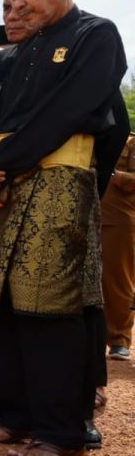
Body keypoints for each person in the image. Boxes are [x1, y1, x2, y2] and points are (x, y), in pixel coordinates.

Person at [0, 0, 127, 456]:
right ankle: (15, 415)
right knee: (5, 302)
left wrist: (1, 163)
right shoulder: (24, 49)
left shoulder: (95, 35)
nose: (18, 4)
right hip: (7, 185)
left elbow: (68, 113)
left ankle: (61, 431)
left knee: (49, 305)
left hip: (59, 185)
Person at [102, 132, 135, 361]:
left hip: (120, 221)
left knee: (118, 282)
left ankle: (119, 339)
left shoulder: (132, 142)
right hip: (83, 218)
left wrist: (117, 176)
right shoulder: (90, 139)